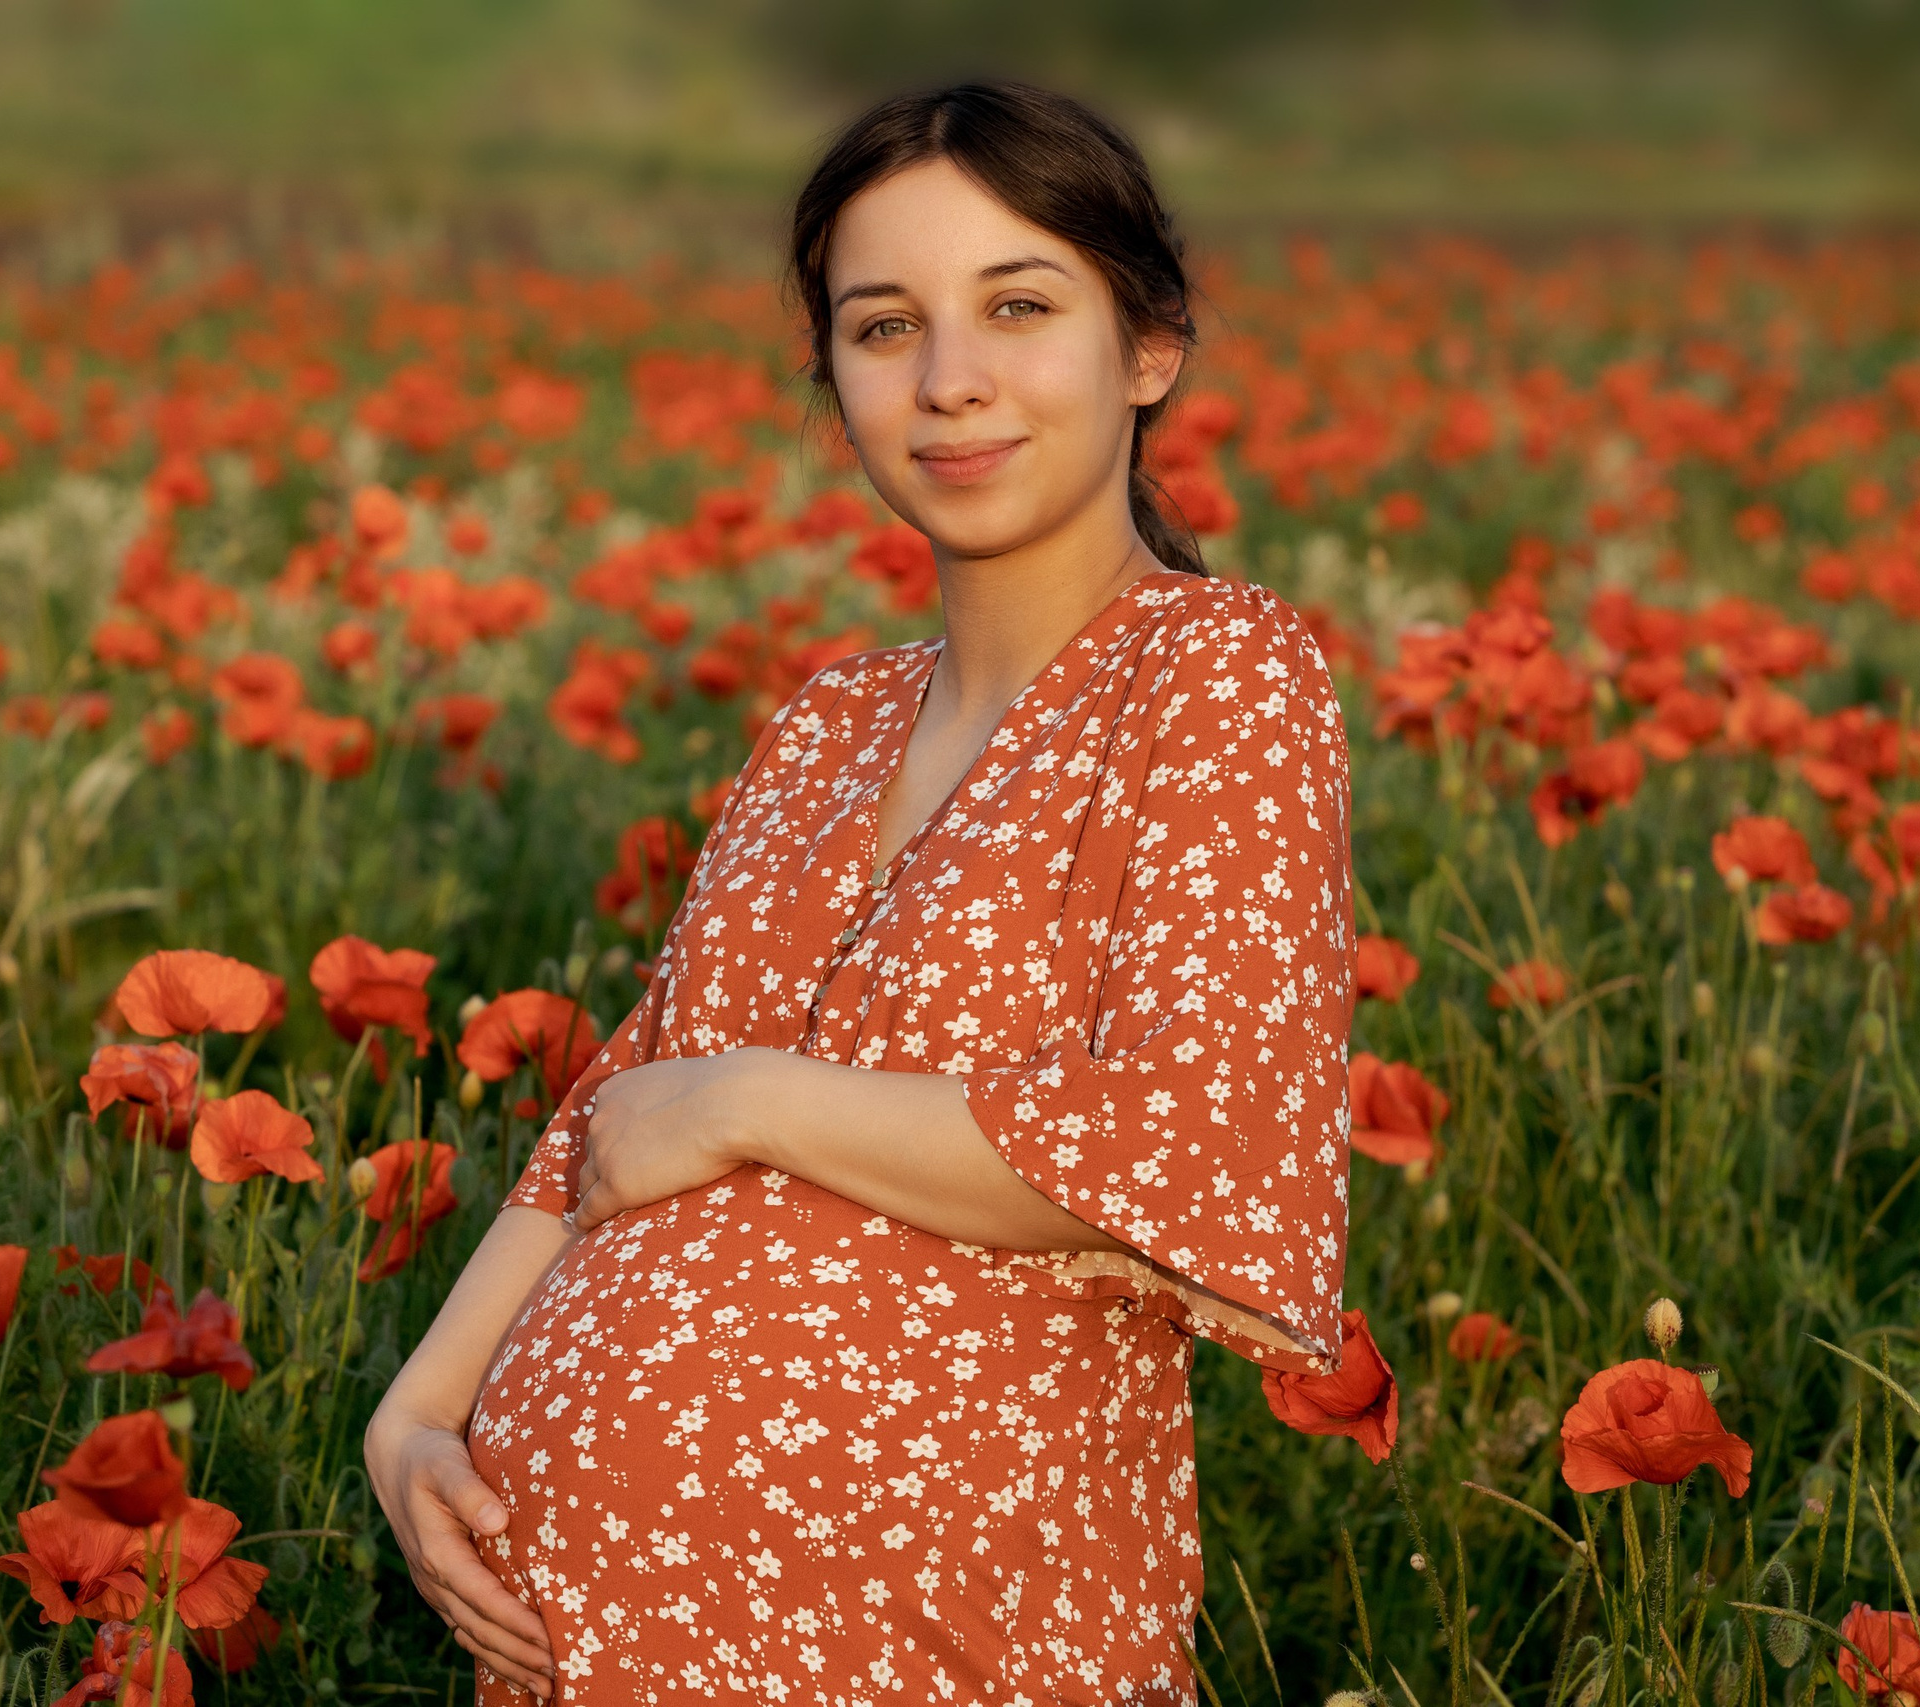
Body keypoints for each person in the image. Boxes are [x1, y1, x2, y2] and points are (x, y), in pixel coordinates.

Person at [366, 80, 1357, 1704]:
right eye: (885, 327)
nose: (951, 383)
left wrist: (757, 1101)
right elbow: (623, 1113)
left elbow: (1192, 1143)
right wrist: (411, 1418)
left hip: (942, 1640)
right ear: (832, 378)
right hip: (597, 1652)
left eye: (1019, 308)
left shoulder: (1218, 672)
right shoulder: (830, 719)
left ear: (1150, 346)